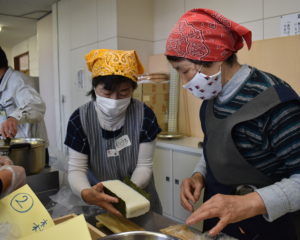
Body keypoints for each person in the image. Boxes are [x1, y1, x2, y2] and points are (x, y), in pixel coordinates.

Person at [165, 8, 300, 240]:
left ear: (213, 57)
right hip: (220, 223)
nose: (185, 82)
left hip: (269, 227)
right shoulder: (211, 100)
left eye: (185, 71)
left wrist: (249, 203)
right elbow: (214, 148)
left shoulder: (276, 102)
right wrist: (199, 174)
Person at [65, 49, 162, 217]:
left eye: (123, 92)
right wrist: (86, 192)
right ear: (95, 87)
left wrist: (126, 193)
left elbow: (144, 166)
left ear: (133, 89)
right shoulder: (79, 119)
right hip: (98, 199)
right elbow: (76, 169)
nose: (114, 100)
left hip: (138, 196)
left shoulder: (145, 115)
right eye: (107, 93)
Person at [0, 47, 49, 167]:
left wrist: (14, 118)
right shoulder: (2, 85)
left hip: (30, 153)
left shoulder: (18, 81)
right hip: (13, 151)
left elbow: (36, 105)